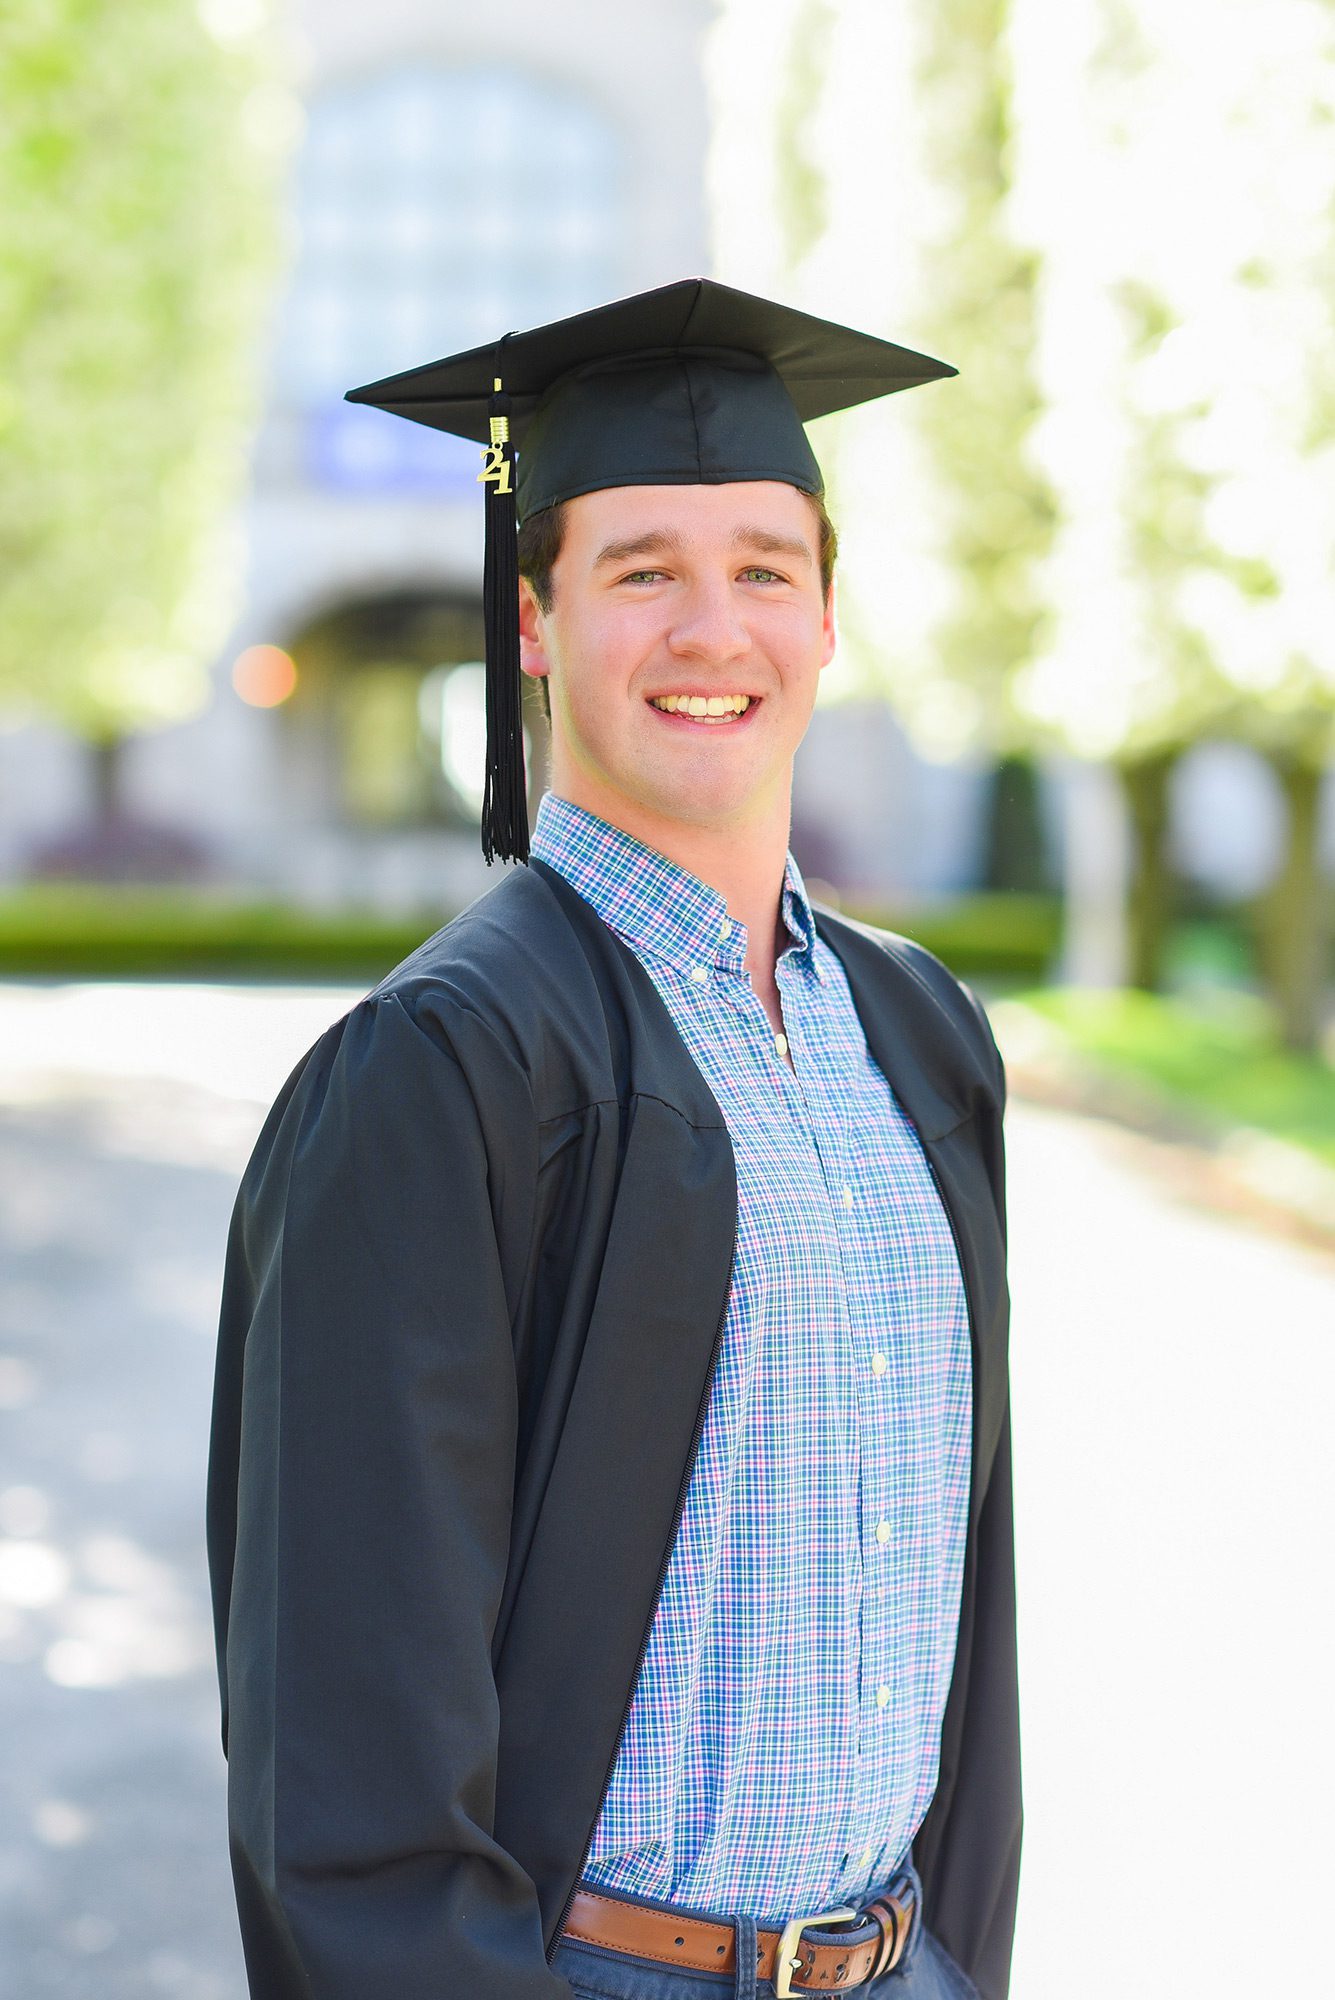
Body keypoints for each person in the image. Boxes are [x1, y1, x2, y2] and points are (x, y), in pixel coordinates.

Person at [206, 278, 1017, 2000]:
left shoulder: (920, 1035)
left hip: (902, 1961)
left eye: (763, 571)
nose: (712, 630)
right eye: (643, 570)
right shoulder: (444, 1072)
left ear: (825, 618)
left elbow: (970, 1604)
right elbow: (342, 1745)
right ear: (539, 622)